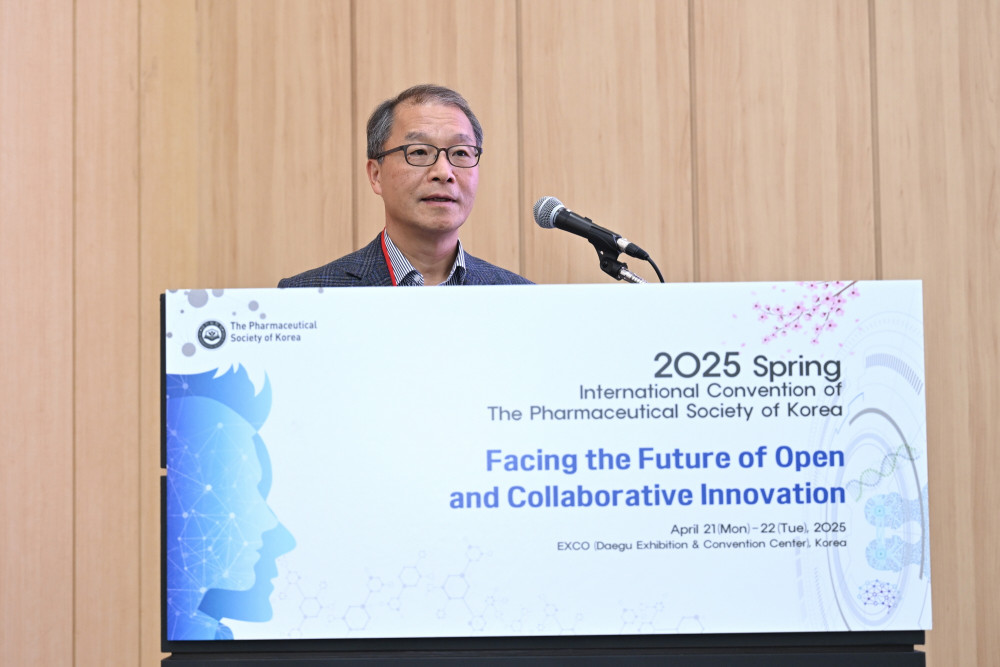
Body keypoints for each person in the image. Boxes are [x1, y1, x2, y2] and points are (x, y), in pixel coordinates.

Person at [279, 84, 531, 287]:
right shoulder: (307, 297)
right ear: (376, 175)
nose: (443, 173)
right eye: (419, 152)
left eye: (460, 153)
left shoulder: (519, 298)